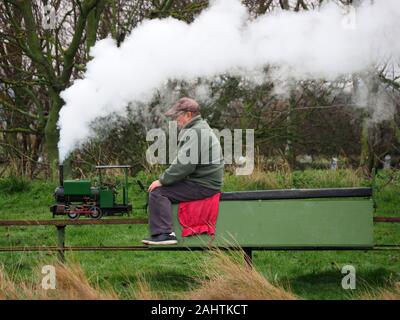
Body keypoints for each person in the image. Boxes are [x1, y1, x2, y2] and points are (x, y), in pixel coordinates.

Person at [142, 97, 224, 245]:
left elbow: (184, 165)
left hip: (203, 184)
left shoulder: (196, 132)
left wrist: (162, 181)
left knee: (158, 192)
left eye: (177, 116)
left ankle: (165, 234)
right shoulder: (199, 129)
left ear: (188, 114)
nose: (175, 120)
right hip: (204, 181)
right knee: (162, 189)